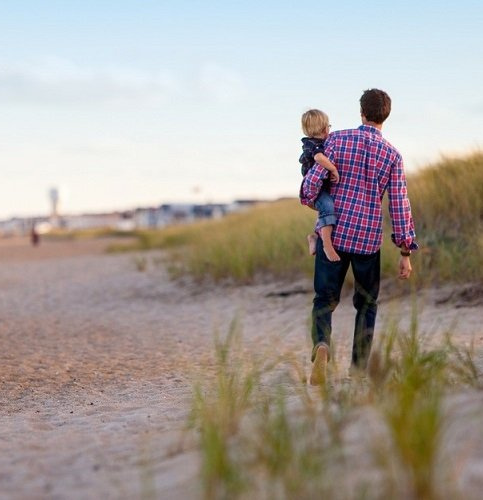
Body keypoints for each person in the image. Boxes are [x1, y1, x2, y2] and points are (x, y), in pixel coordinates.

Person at [305, 89, 418, 385]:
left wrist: (311, 196)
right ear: (386, 116)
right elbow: (399, 204)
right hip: (367, 240)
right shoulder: (393, 155)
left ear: (362, 113)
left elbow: (311, 186)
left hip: (335, 234)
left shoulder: (336, 140)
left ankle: (322, 346)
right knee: (367, 305)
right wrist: (405, 252)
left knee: (324, 301)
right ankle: (357, 371)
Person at [299, 109, 341, 262]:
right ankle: (327, 246)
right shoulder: (313, 145)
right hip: (315, 189)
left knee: (325, 210)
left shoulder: (320, 142)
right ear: (325, 129)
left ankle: (314, 237)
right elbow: (318, 158)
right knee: (328, 206)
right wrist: (333, 168)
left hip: (321, 186)